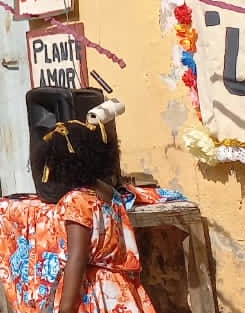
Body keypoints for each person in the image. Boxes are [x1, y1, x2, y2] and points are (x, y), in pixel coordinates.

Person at [36, 122, 158, 313]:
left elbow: (77, 258)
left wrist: (65, 309)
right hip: (120, 288)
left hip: (93, 292)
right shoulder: (109, 192)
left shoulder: (76, 201)